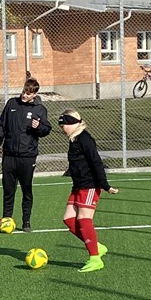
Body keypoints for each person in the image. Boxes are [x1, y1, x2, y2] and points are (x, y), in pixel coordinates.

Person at [58, 109, 119, 273]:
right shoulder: (74, 139)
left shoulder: (85, 139)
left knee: (84, 220)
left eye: (63, 125)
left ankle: (95, 258)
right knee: (69, 219)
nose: (62, 129)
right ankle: (96, 246)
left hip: (90, 185)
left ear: (73, 124)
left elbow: (96, 162)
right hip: (78, 185)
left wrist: (105, 185)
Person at [0, 77, 51, 232]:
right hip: (9, 155)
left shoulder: (40, 109)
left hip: (27, 156)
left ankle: (26, 222)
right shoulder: (12, 104)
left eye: (28, 93)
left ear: (34, 94)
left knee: (26, 190)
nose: (24, 95)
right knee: (8, 190)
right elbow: (1, 125)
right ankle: (6, 220)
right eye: (24, 91)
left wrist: (38, 127)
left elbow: (46, 129)